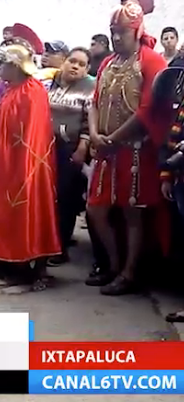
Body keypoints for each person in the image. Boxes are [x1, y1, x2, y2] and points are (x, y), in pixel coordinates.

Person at [86, 0, 170, 295]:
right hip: (107, 149)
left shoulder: (151, 61)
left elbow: (148, 109)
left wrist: (114, 138)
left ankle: (129, 273)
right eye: (113, 31)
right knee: (96, 210)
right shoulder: (108, 62)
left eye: (122, 31)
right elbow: (94, 101)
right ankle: (113, 264)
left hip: (135, 150)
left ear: (136, 31)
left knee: (132, 213)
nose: (116, 37)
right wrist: (95, 133)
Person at [0, 42, 60, 290]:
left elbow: (33, 135)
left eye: (4, 64)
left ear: (15, 66)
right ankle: (15, 263)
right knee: (8, 213)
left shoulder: (32, 90)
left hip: (26, 165)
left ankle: (38, 266)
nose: (0, 69)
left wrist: (23, 167)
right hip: (6, 164)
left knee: (33, 210)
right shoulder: (9, 90)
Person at [46, 47, 96, 267]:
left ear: (87, 69)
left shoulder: (89, 88)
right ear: (64, 62)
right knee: (50, 196)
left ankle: (61, 247)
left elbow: (88, 120)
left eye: (82, 64)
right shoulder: (51, 82)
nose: (75, 66)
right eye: (72, 61)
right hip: (47, 148)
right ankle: (49, 241)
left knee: (65, 199)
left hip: (71, 148)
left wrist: (83, 146)